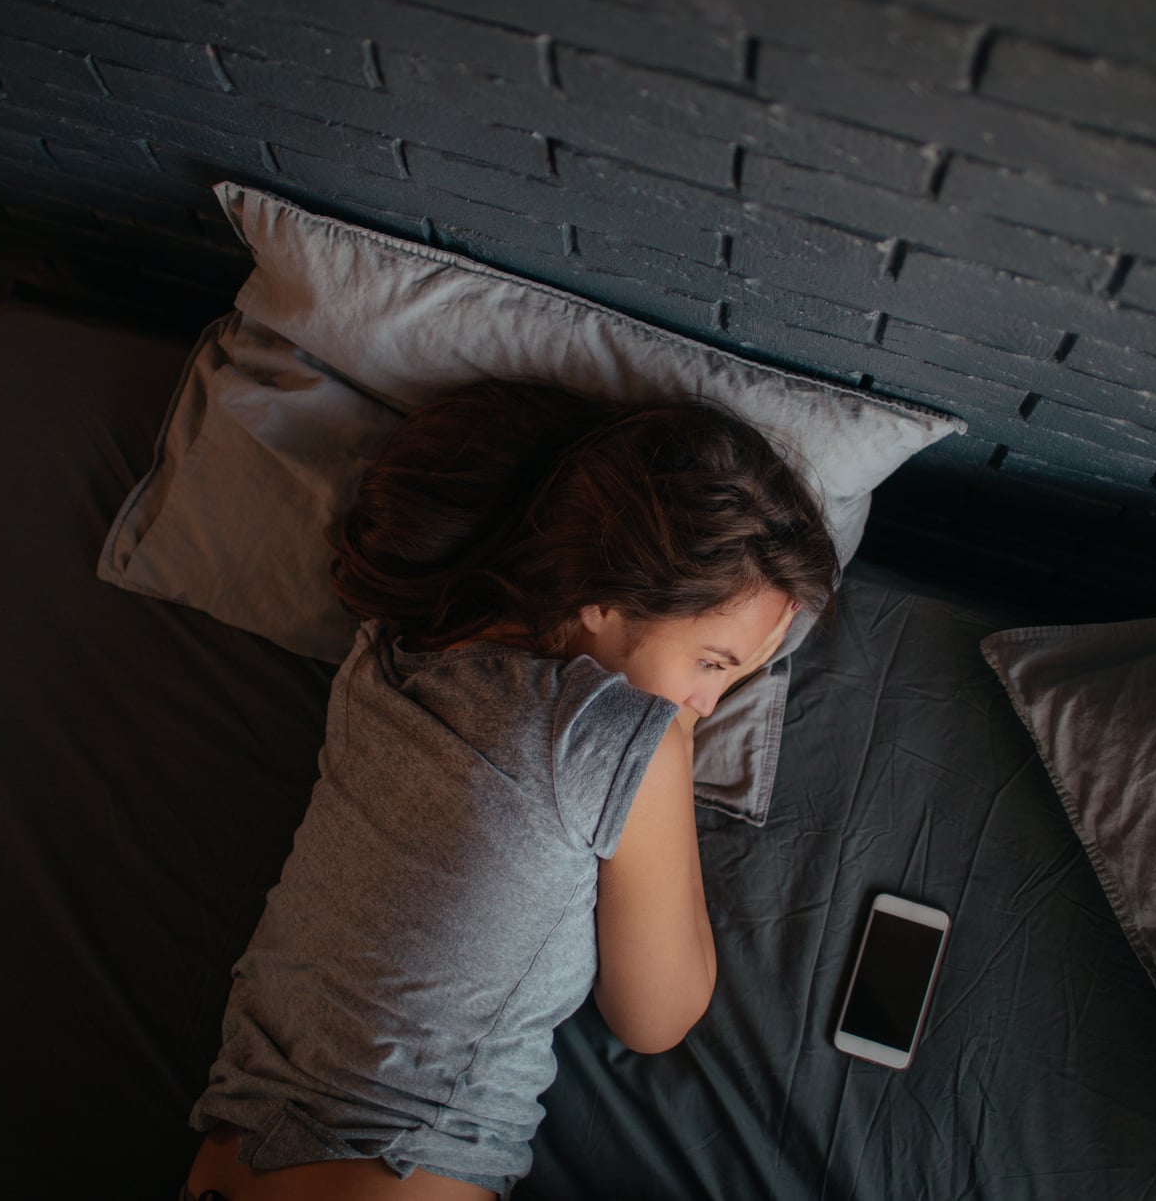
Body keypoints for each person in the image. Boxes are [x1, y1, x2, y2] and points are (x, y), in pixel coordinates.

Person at [184, 379, 840, 1201]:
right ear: (603, 601)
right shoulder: (610, 737)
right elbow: (657, 1016)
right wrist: (667, 736)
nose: (711, 703)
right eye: (714, 663)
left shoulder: (388, 650)